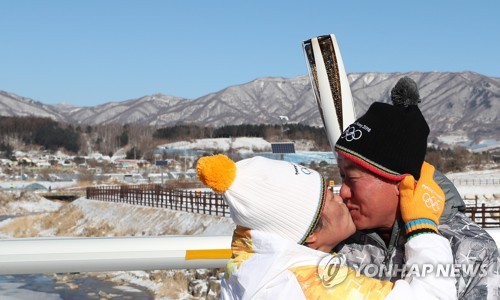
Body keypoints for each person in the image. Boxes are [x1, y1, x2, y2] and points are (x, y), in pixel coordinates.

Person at [197, 154, 456, 299]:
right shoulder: (315, 286)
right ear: (310, 234)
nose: (342, 195)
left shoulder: (250, 263)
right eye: (330, 197)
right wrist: (422, 228)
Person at [333, 77, 499, 299]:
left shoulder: (469, 250)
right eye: (342, 177)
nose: (343, 192)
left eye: (352, 179)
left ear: (402, 182)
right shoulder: (341, 238)